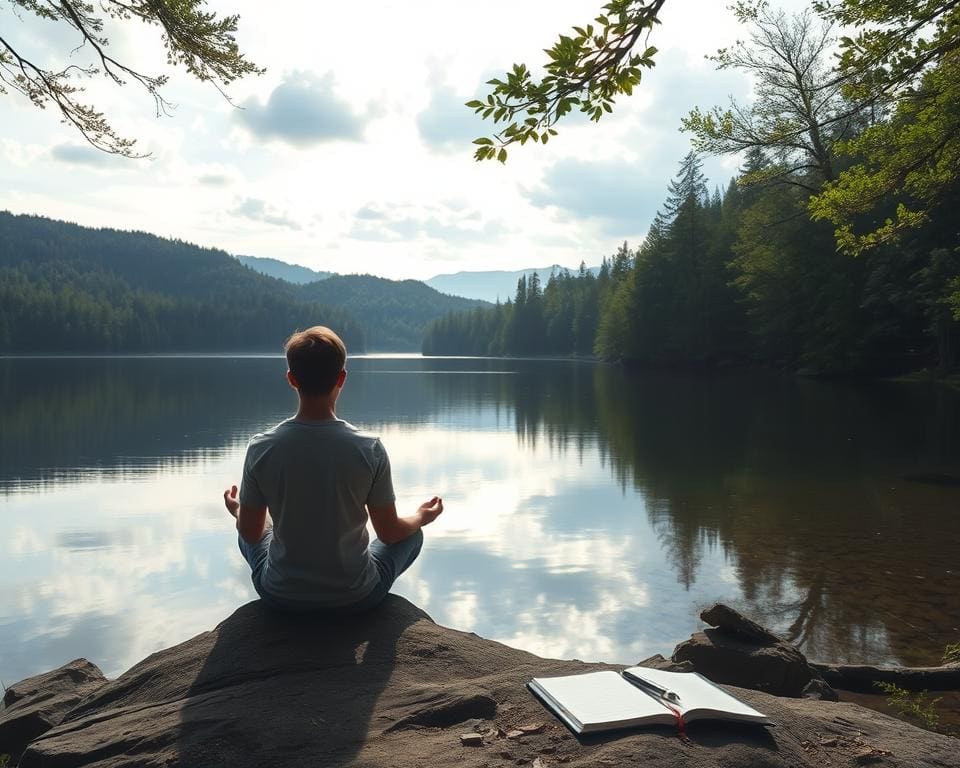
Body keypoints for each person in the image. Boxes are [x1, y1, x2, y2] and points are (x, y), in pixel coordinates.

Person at [222, 325, 443, 612]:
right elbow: (389, 533)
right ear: (342, 378)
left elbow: (250, 534)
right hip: (356, 597)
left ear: (291, 379)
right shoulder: (369, 449)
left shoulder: (262, 448)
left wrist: (239, 509)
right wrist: (421, 517)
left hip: (281, 596)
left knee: (253, 528)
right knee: (412, 534)